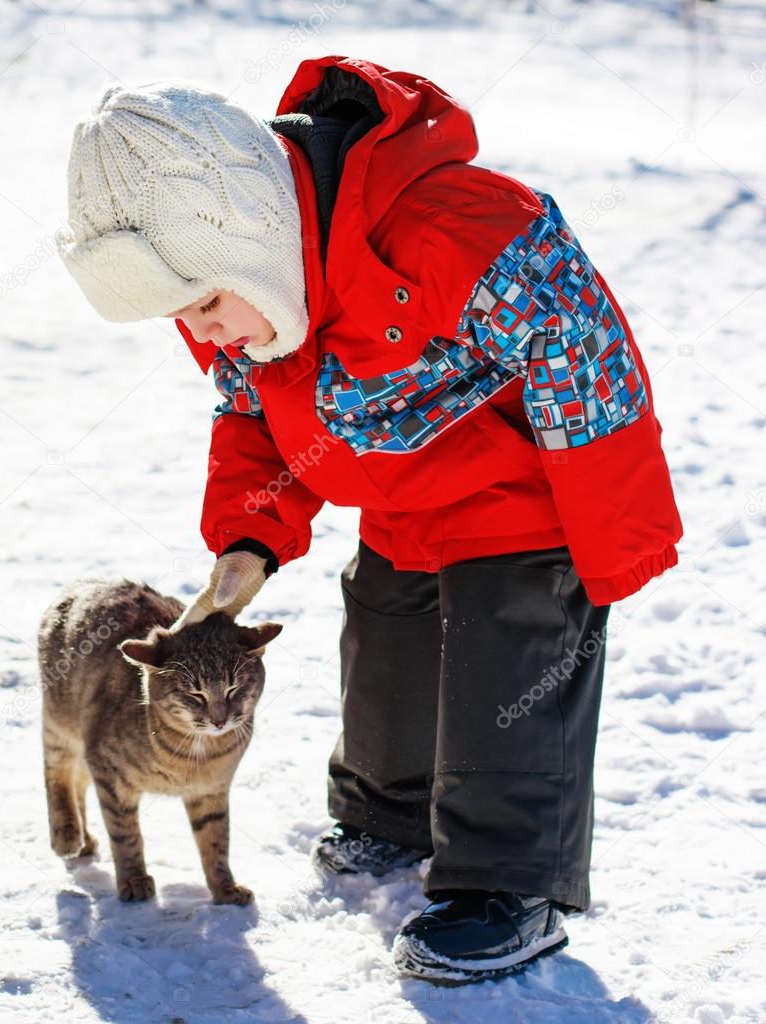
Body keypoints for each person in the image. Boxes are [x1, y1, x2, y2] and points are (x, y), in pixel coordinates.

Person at [54, 56, 684, 982]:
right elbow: (255, 422)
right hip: (400, 501)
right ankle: (387, 811)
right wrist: (247, 544)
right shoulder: (249, 297)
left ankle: (509, 884)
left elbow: (592, 368)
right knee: (387, 659)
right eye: (183, 316)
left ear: (248, 233)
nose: (205, 332)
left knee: (504, 670)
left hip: (521, 503)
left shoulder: (458, 229)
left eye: (205, 304)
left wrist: (611, 546)